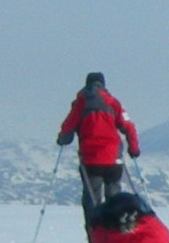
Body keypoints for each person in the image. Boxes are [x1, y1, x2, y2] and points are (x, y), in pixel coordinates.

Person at [58, 73, 141, 212]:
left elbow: (68, 127)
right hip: (113, 158)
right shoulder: (113, 103)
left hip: (91, 159)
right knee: (114, 198)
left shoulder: (81, 103)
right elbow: (129, 127)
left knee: (92, 199)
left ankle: (94, 224)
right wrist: (134, 149)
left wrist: (63, 139)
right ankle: (114, 223)